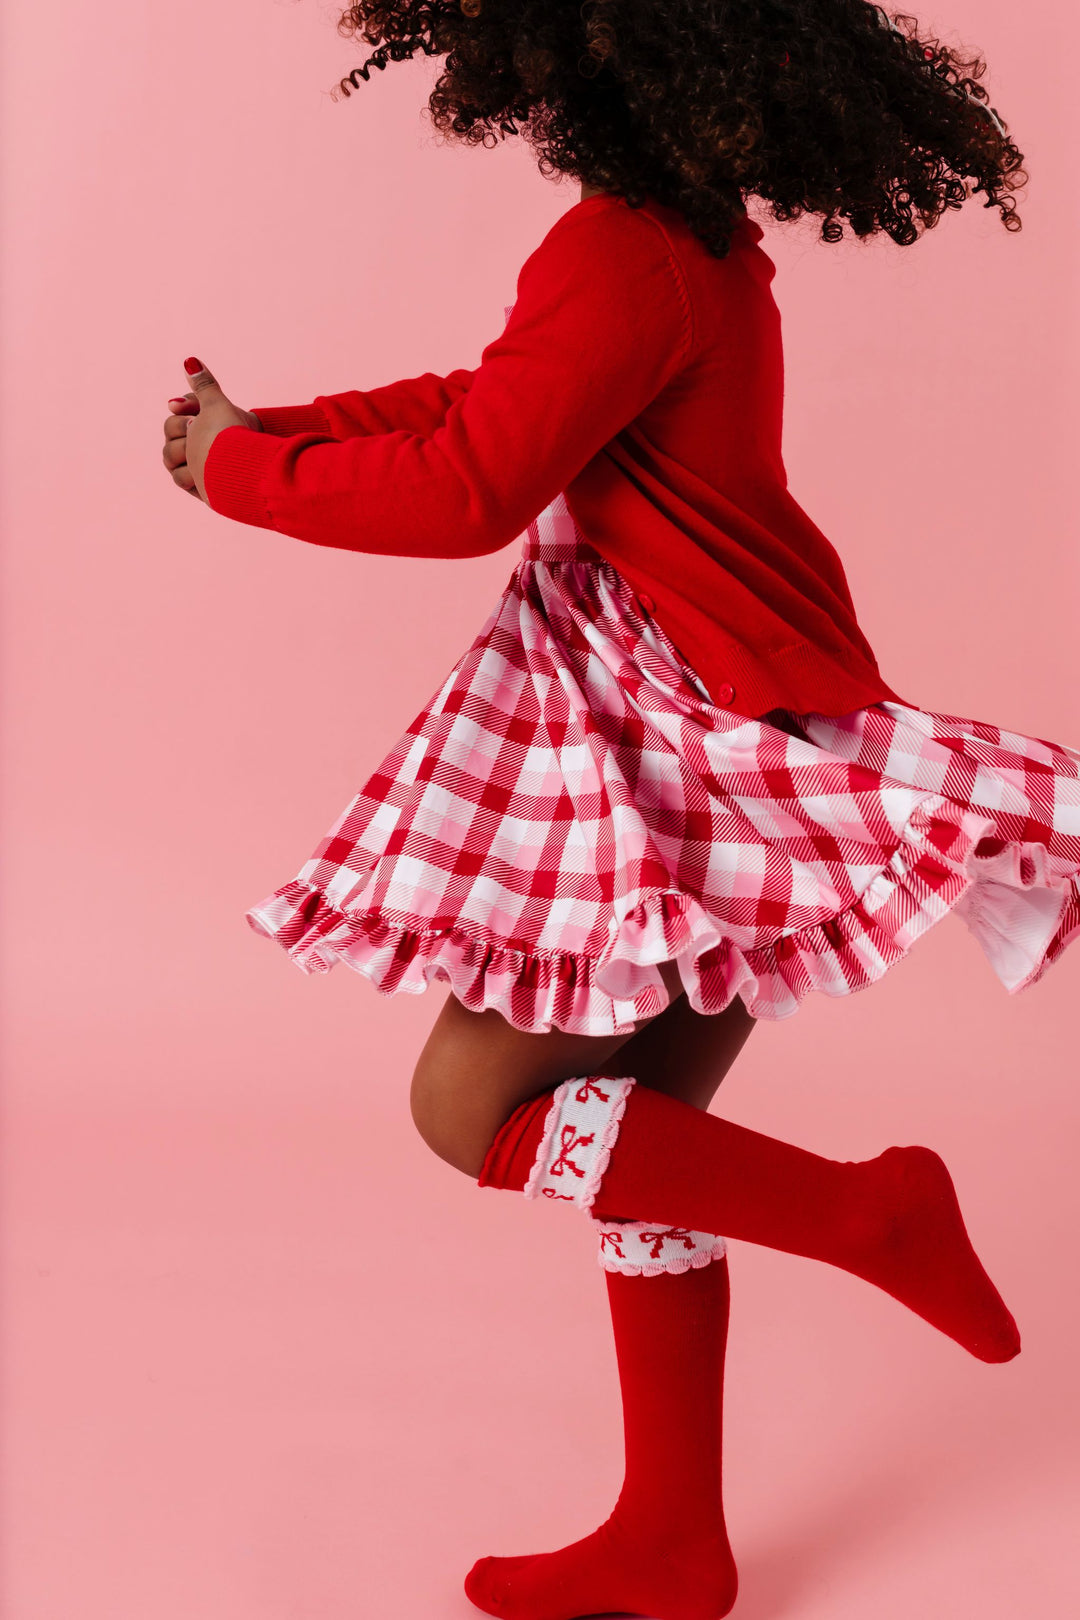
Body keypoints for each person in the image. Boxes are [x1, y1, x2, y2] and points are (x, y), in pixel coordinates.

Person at [161, 5, 1077, 1616]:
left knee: (471, 1111)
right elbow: (495, 400)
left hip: (682, 730)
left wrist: (242, 477)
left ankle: (875, 1212)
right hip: (726, 705)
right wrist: (278, 428)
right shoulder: (685, 240)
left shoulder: (624, 243)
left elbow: (469, 487)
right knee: (648, 1146)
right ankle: (673, 1533)